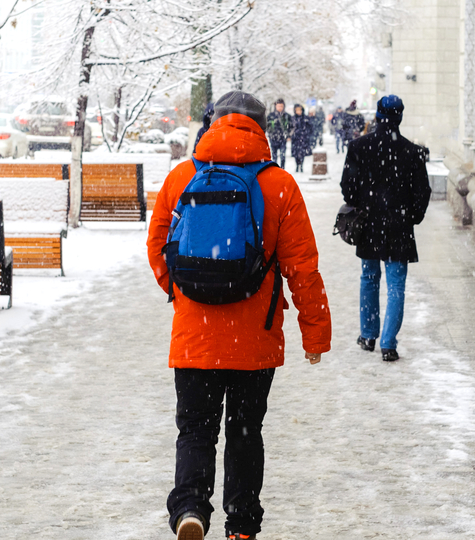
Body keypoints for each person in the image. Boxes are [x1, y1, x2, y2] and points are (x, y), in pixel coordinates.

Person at [148, 90, 332, 540]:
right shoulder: (279, 185)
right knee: (245, 432)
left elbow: (157, 247)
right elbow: (302, 268)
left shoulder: (182, 176)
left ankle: (190, 507)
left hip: (195, 337)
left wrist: (181, 291)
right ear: (261, 128)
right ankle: (242, 525)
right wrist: (315, 335)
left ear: (214, 123)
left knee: (195, 429)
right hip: (256, 338)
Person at [340, 95, 431, 362]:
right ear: (400, 117)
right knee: (396, 286)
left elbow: (348, 188)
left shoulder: (359, 147)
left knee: (368, 278)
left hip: (369, 223)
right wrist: (411, 216)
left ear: (378, 116)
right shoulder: (412, 152)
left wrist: (362, 204)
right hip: (399, 226)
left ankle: (368, 335)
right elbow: (422, 192)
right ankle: (388, 344)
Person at [265, 98, 291, 168]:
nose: (280, 108)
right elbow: (266, 126)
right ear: (275, 106)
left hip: (283, 138)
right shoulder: (270, 115)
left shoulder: (287, 116)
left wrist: (289, 135)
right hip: (273, 138)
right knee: (274, 156)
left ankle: (282, 168)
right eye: (278, 106)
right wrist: (270, 134)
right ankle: (275, 169)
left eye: (281, 106)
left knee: (283, 156)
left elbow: (291, 126)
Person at [290, 104, 312, 173]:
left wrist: (306, 134)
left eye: (300, 110)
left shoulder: (306, 118)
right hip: (295, 139)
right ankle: (297, 165)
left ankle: (301, 166)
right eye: (297, 110)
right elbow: (290, 127)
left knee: (302, 153)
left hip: (304, 138)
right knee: (296, 154)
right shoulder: (292, 118)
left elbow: (310, 128)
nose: (298, 111)